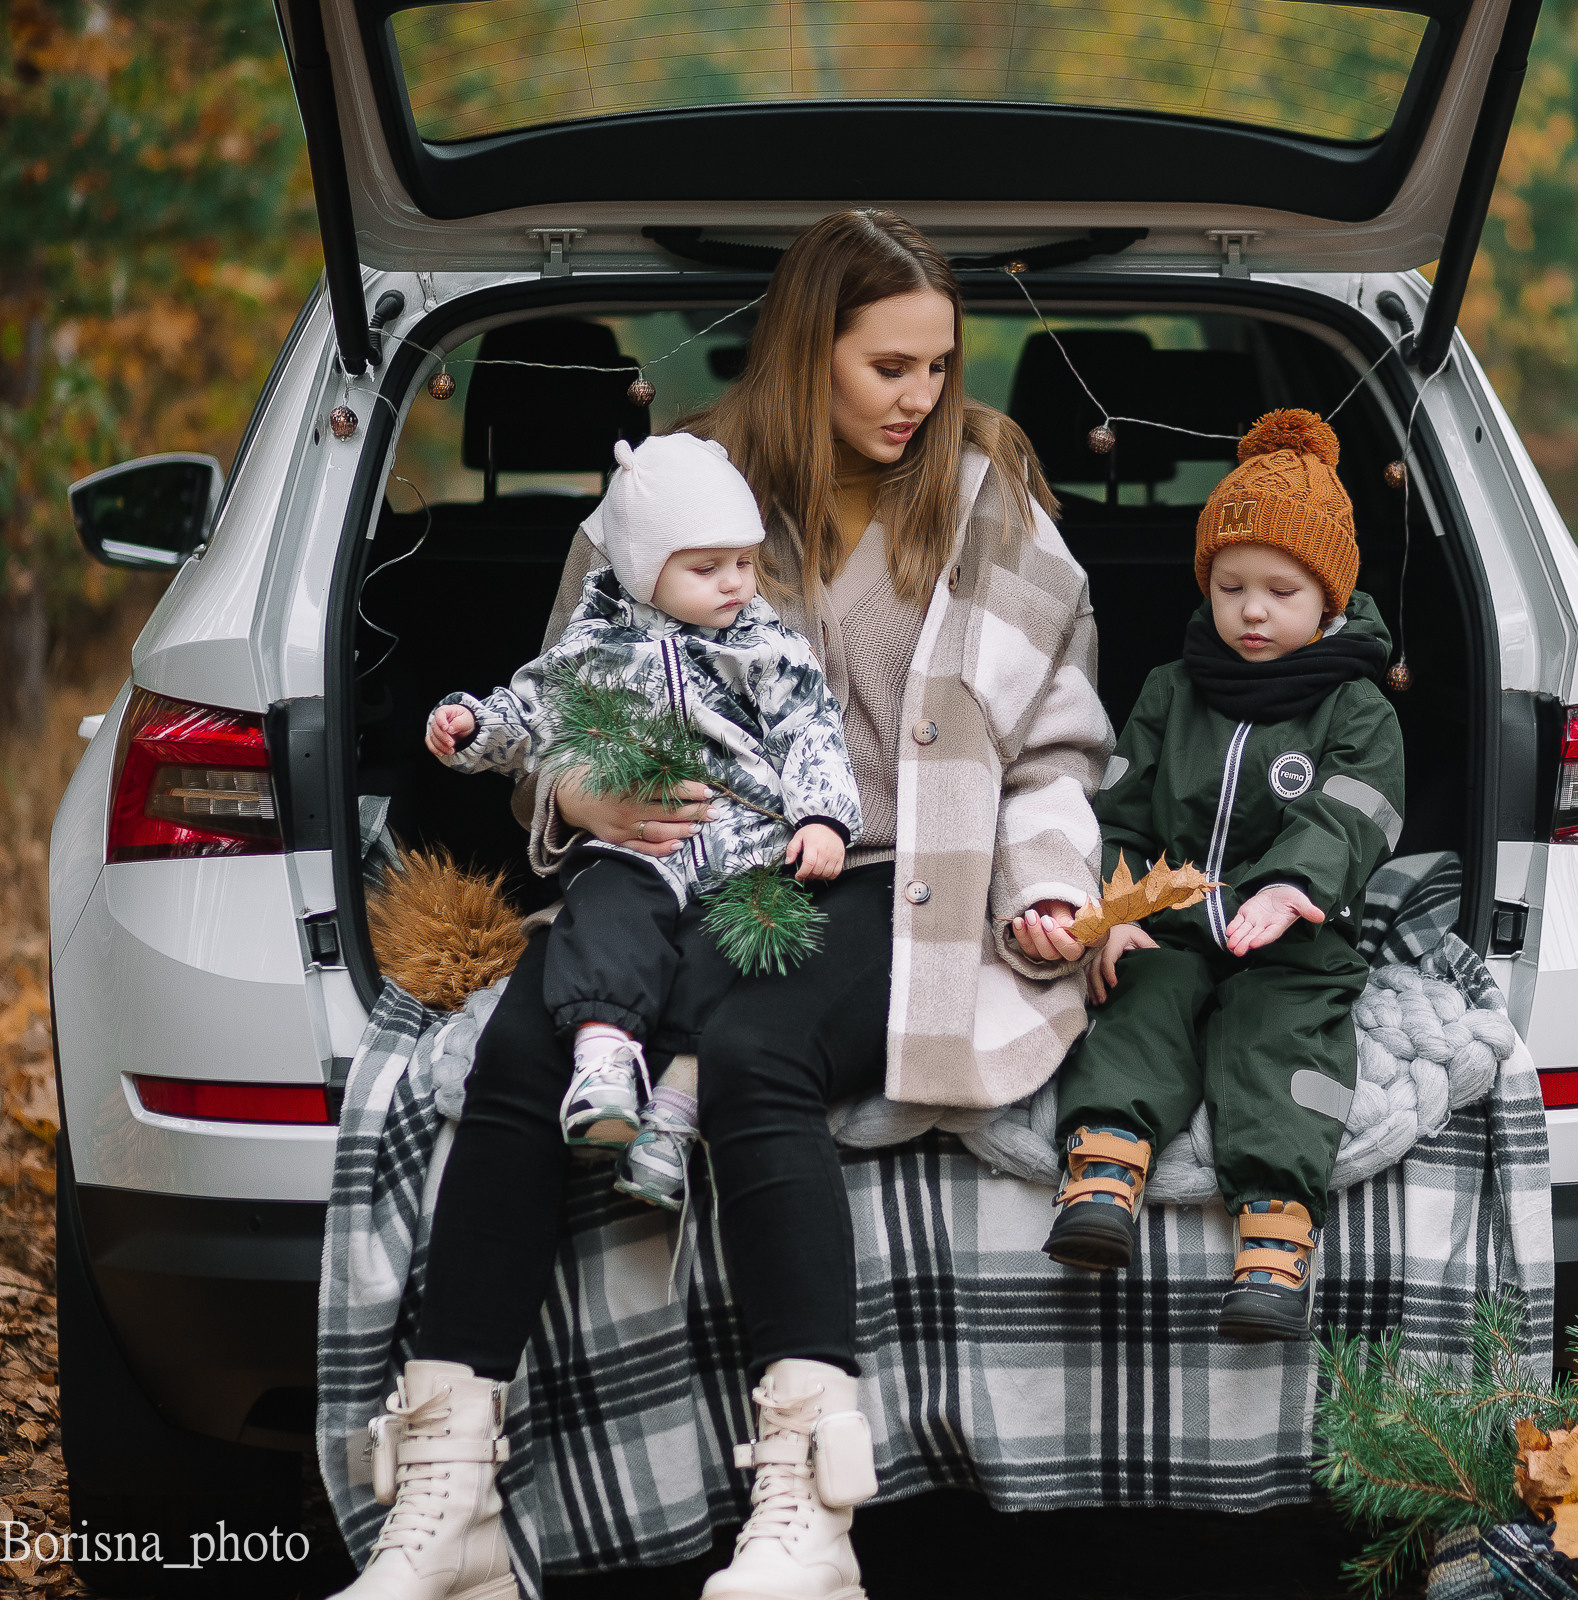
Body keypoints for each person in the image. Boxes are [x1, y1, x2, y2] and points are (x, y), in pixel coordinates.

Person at [337, 209, 1108, 1600]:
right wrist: (578, 799)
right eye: (889, 366)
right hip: (677, 864)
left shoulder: (991, 495)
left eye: (938, 364)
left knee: (757, 1050)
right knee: (522, 1051)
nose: (920, 398)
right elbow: (566, 696)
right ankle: (449, 1506)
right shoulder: (677, 482)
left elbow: (1055, 750)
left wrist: (1054, 890)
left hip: (891, 883)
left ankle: (812, 1514)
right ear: (810, 348)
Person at [423, 432, 862, 1213]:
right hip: (641, 848)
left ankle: (674, 1119)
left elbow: (812, 732)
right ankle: (603, 1062)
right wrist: (470, 726)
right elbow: (528, 716)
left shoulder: (767, 646)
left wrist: (823, 818)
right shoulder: (589, 647)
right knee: (601, 914)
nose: (734, 583)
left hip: (746, 853)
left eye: (743, 562)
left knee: (730, 966)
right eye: (705, 567)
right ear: (639, 569)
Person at [1040, 409, 1405, 1345]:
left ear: (1328, 600)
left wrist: (1292, 888)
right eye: (1230, 584)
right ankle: (1104, 1173)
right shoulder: (1174, 686)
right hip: (1179, 912)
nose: (1251, 611)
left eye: (1281, 590)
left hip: (1300, 928)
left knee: (1282, 1042)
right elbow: (1120, 808)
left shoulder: (1356, 703)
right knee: (1136, 997)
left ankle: (1275, 1240)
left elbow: (1355, 809)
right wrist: (1117, 912)